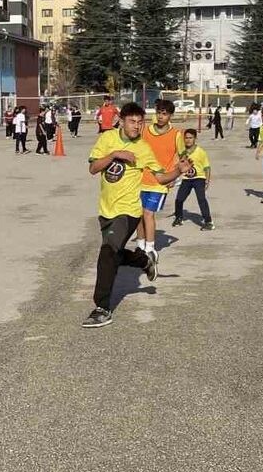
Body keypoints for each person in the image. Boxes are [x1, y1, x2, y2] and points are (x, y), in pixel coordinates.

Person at [82, 103, 190, 328]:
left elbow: (160, 178)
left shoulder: (143, 148)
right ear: (121, 121)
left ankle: (102, 308)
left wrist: (178, 170)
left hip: (129, 211)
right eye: (132, 121)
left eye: (140, 122)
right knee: (115, 253)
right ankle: (144, 260)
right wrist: (114, 155)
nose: (137, 126)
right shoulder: (107, 139)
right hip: (106, 210)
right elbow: (93, 169)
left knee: (107, 252)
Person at [136, 99, 184, 263]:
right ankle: (140, 245)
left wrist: (176, 177)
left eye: (164, 114)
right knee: (139, 214)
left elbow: (183, 158)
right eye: (159, 113)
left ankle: (150, 248)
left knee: (149, 213)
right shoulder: (145, 131)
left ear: (170, 115)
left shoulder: (177, 135)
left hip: (160, 182)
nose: (161, 117)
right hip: (140, 179)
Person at [172, 128, 213, 231]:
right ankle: (179, 217)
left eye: (190, 138)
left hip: (199, 178)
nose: (188, 140)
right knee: (179, 199)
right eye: (186, 138)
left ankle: (208, 221)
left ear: (195, 138)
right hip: (187, 179)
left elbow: (207, 167)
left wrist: (207, 181)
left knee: (201, 199)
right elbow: (177, 166)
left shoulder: (201, 152)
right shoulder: (182, 152)